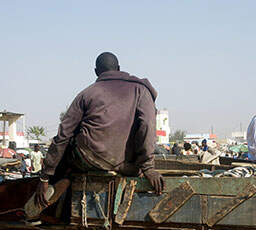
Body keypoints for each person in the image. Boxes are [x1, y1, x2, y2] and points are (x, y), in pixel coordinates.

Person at [36, 52, 163, 207]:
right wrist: (148, 167)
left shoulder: (87, 93)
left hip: (89, 159)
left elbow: (63, 134)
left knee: (65, 153)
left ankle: (45, 206)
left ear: (96, 72)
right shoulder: (141, 91)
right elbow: (147, 127)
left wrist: (45, 176)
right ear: (118, 68)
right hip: (126, 165)